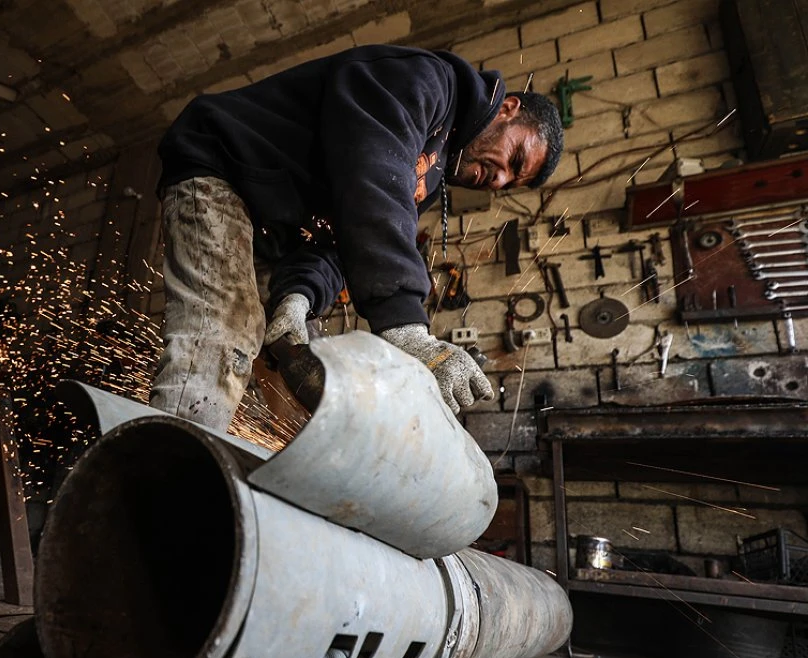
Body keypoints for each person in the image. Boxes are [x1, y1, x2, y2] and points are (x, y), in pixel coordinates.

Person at [148, 44, 565, 431]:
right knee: (227, 327)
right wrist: (405, 327)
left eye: (511, 182)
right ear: (508, 109)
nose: (499, 179)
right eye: (514, 158)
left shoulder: (429, 172)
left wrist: (298, 299)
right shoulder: (429, 82)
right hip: (221, 165)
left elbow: (337, 242)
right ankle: (164, 477)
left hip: (269, 228)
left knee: (304, 377)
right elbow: (370, 181)